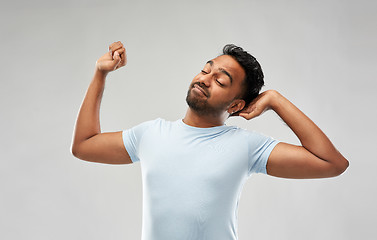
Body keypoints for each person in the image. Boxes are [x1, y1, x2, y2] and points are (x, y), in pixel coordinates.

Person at [71, 41, 349, 240]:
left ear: (236, 104)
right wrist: (100, 73)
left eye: (221, 80)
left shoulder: (246, 146)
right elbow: (84, 145)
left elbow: (332, 163)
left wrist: (275, 100)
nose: (205, 80)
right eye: (206, 70)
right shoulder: (151, 134)